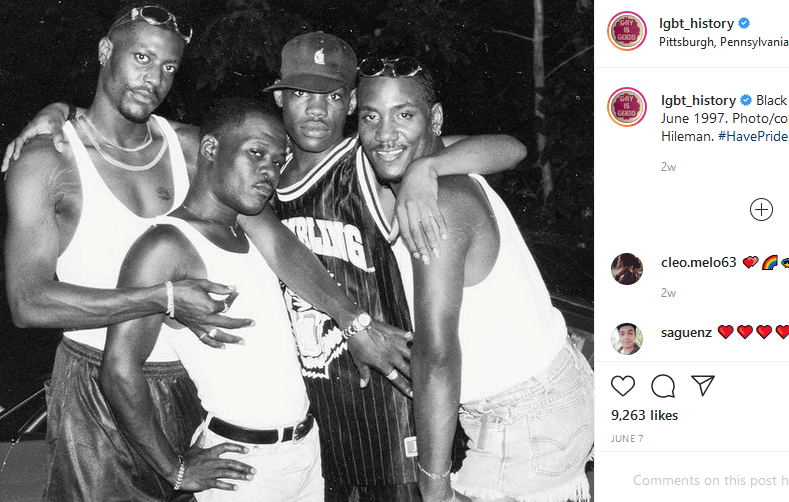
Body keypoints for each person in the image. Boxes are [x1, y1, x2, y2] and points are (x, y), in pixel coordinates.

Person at [4, 5, 411, 500]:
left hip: (194, 385)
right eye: (142, 58)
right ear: (105, 52)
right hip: (98, 383)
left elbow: (277, 243)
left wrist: (353, 321)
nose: (153, 78)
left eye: (169, 67)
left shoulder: (192, 146)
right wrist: (164, 298)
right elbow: (29, 303)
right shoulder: (49, 160)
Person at [265, 33, 526, 501]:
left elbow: (509, 148)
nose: (317, 110)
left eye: (332, 96)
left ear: (349, 105)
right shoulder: (267, 177)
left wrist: (430, 170)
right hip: (327, 424)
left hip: (399, 422)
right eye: (302, 94)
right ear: (281, 96)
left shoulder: (373, 160)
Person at [356, 59, 593, 502]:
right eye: (371, 117)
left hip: (524, 416)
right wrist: (423, 169)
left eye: (403, 114)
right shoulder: (430, 163)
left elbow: (438, 354)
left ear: (435, 119)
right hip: (549, 389)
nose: (385, 133)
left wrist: (434, 485)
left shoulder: (440, 201)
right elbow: (510, 148)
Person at [102, 98, 322, 502]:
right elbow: (117, 368)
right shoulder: (167, 244)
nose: (270, 171)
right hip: (241, 468)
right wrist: (175, 469)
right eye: (256, 153)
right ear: (209, 150)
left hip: (308, 453)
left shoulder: (254, 232)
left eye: (278, 160)